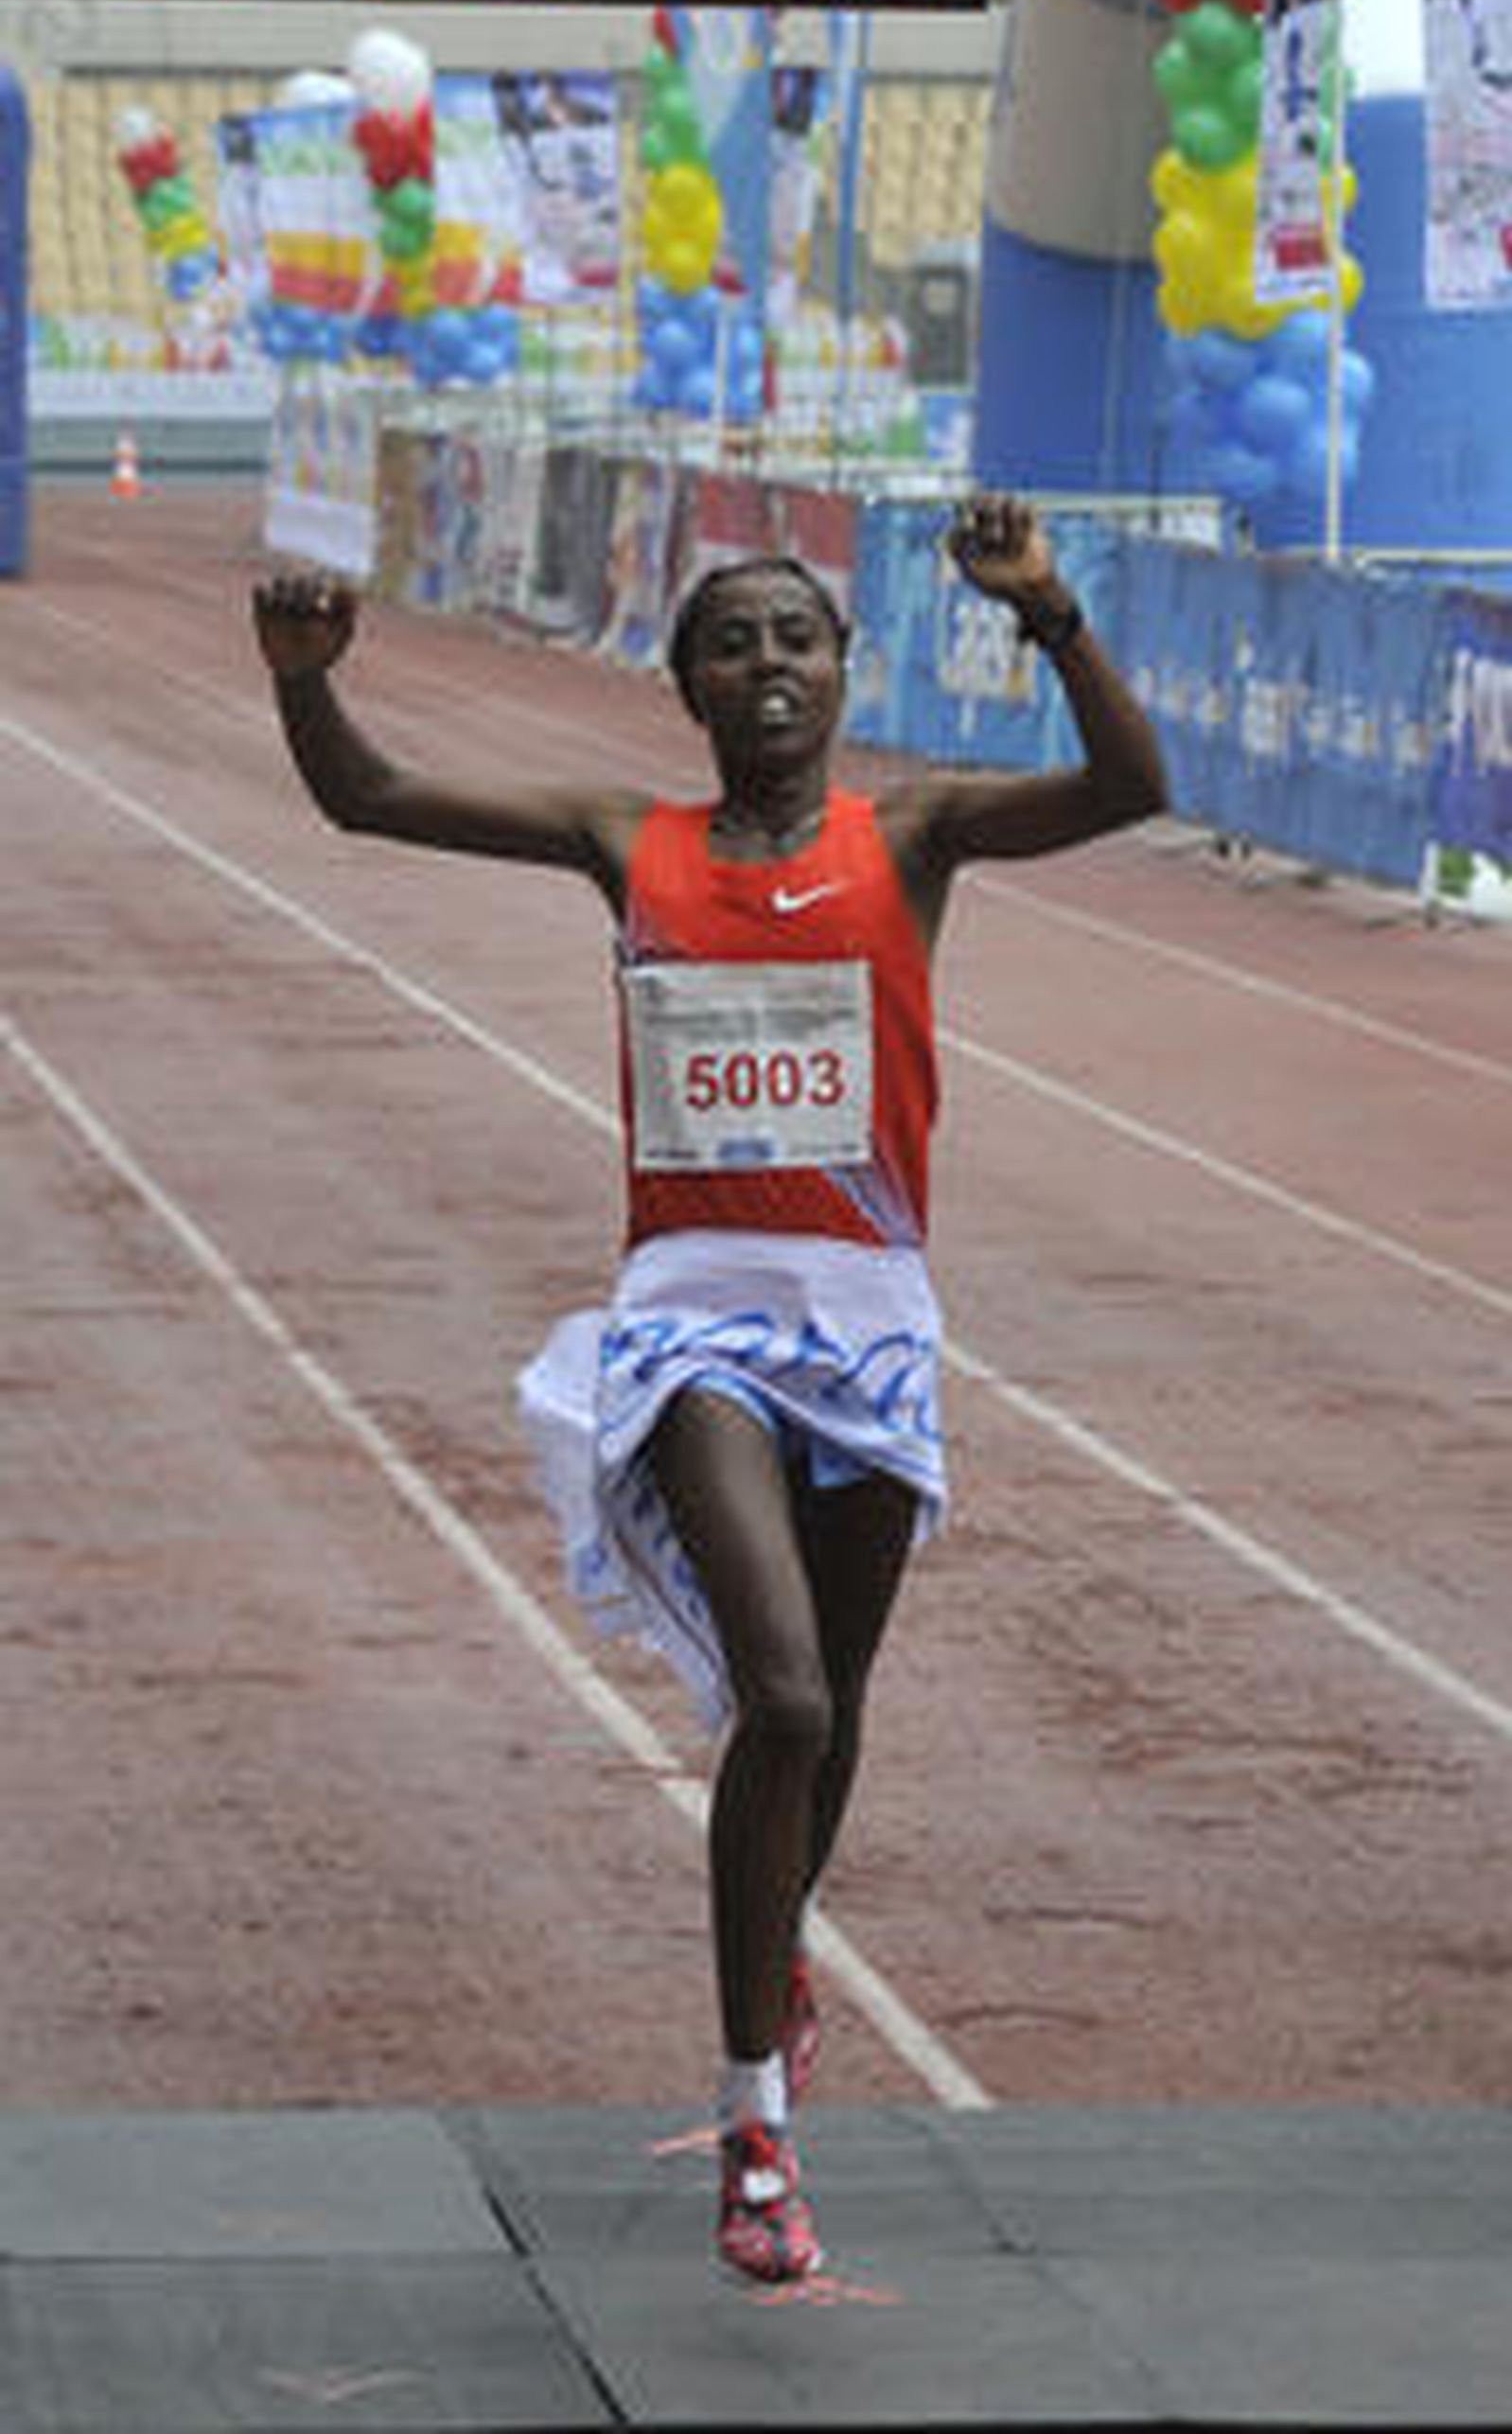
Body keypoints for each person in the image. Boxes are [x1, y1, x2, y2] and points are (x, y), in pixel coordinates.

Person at [252, 496, 1167, 2284]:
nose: (769, 663)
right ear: (684, 686)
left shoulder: (918, 834)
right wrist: (305, 688)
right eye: (733, 641)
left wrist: (1050, 613)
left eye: (798, 638)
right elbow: (366, 798)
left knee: (835, 1709)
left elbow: (1133, 784)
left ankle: (779, 1948)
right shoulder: (628, 839)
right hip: (691, 1319)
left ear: (843, 672)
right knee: (791, 1697)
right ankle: (758, 2119)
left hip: (872, 1319)